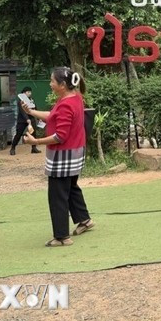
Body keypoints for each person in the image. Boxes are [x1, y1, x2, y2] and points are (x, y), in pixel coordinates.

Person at [22, 67, 94, 246]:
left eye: (52, 81)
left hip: (63, 156)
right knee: (71, 187)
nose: (50, 84)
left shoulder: (66, 104)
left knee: (57, 195)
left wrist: (35, 142)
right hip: (75, 152)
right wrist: (31, 112)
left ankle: (62, 236)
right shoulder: (74, 98)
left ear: (62, 85)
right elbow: (53, 116)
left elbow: (59, 136)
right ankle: (84, 220)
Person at [11, 87, 40, 155]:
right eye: (28, 92)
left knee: (33, 133)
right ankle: (12, 148)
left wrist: (38, 117)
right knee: (18, 134)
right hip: (22, 120)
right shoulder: (21, 100)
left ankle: (34, 148)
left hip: (31, 118)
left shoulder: (31, 99)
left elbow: (35, 108)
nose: (30, 93)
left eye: (30, 92)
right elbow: (22, 111)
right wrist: (27, 119)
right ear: (24, 93)